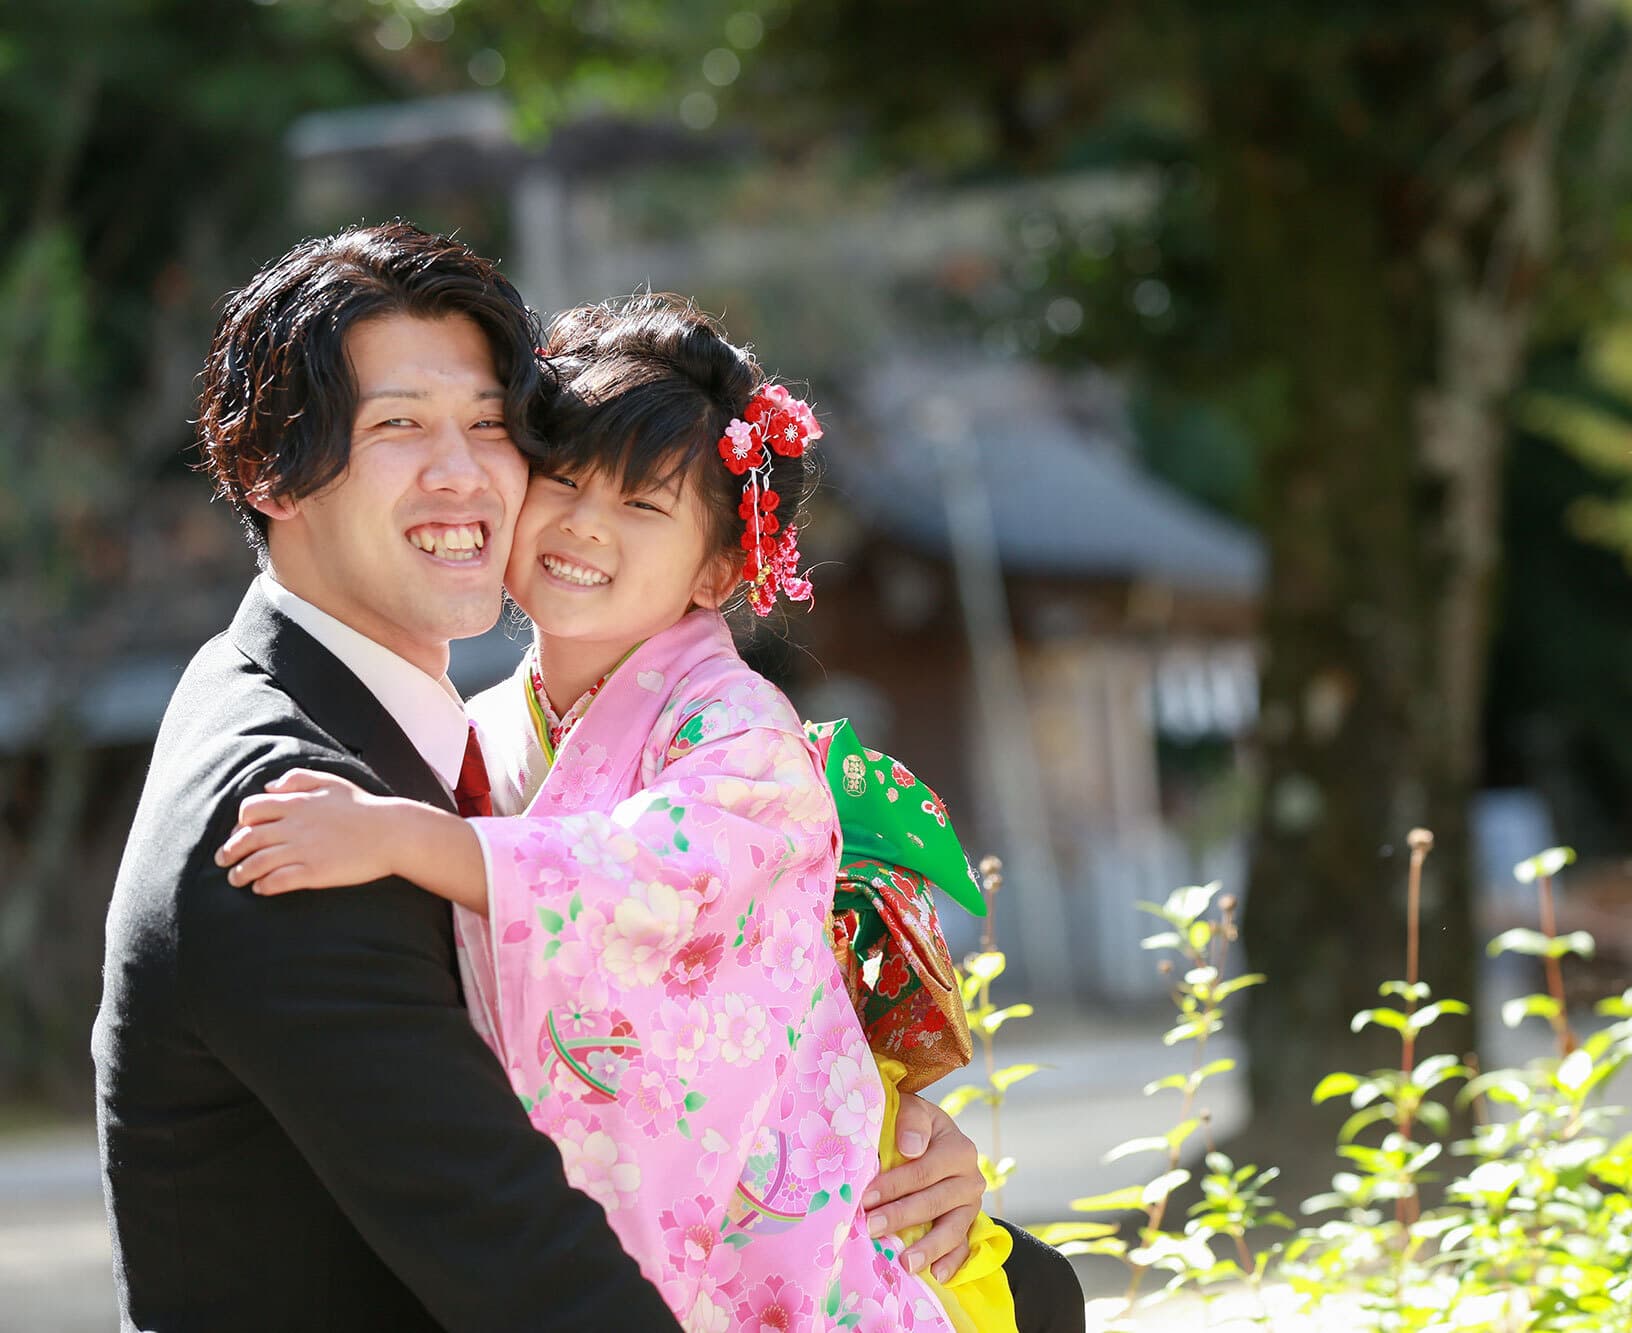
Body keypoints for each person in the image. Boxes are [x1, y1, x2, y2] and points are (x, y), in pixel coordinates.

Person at [90, 223, 1000, 1331]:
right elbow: (516, 1256)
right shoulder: (286, 807)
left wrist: (877, 1132)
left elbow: (692, 916)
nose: (464, 472)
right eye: (399, 426)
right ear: (267, 467)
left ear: (717, 568)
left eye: (487, 424)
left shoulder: (426, 755)